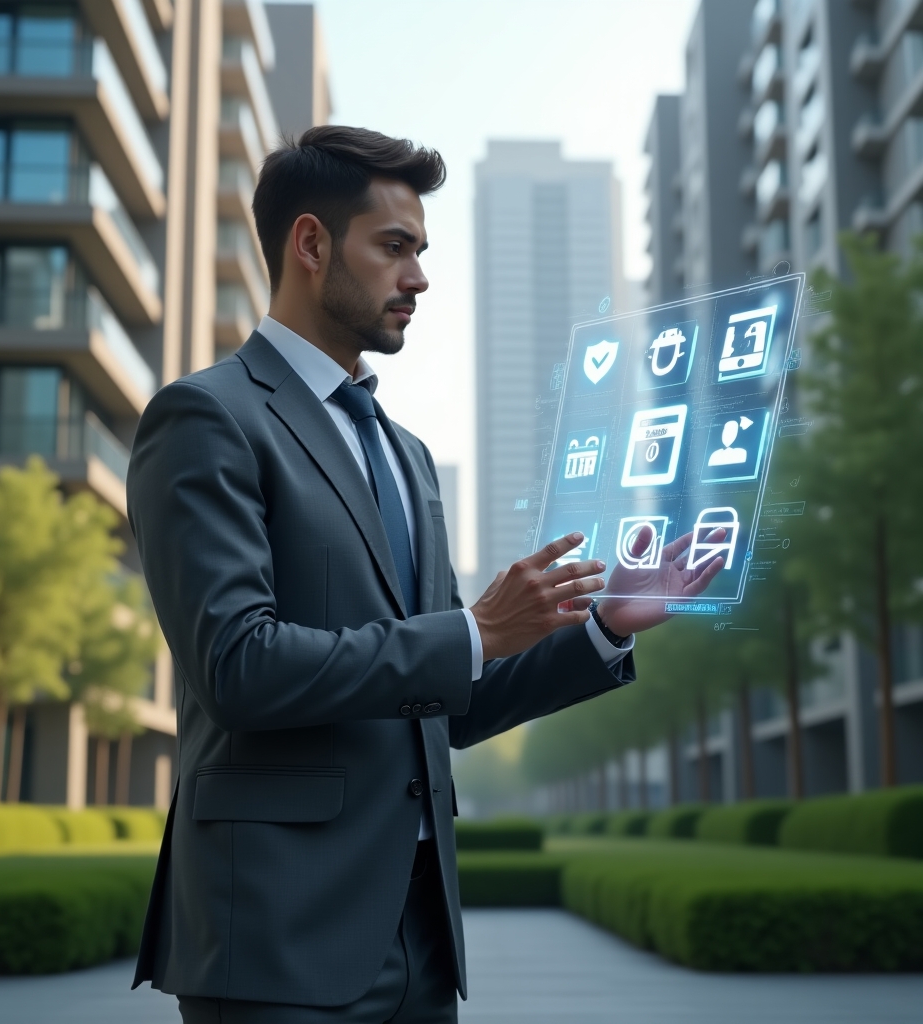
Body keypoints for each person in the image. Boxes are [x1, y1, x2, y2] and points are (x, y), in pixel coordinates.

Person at [127, 126, 723, 1023]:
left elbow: (456, 698)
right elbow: (238, 666)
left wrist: (602, 628)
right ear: (312, 244)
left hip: (420, 937)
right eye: (395, 247)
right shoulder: (206, 418)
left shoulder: (406, 456)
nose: (419, 277)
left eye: (422, 251)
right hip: (276, 940)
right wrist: (476, 630)